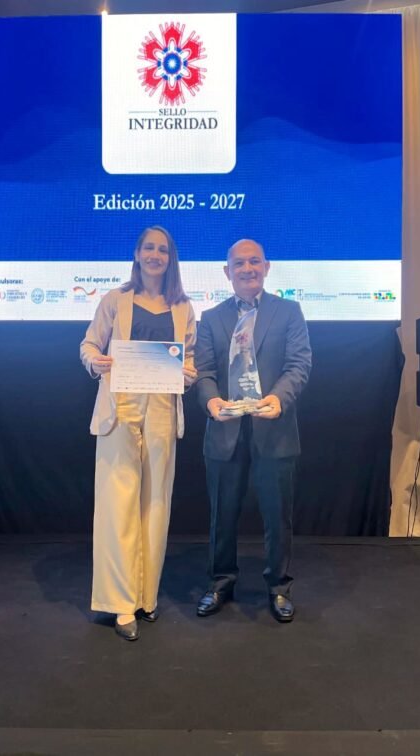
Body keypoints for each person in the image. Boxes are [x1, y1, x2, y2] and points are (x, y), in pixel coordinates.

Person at [80, 226, 197, 641]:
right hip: (121, 406)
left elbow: (190, 358)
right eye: (149, 248)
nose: (155, 255)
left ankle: (146, 597)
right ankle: (120, 604)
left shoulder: (183, 307)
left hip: (162, 408)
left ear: (171, 258)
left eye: (162, 250)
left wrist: (188, 372)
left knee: (156, 505)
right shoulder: (115, 299)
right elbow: (88, 346)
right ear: (136, 253)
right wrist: (97, 362)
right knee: (118, 506)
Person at [195, 239, 311, 623]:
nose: (248, 269)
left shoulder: (289, 312)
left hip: (274, 431)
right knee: (222, 515)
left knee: (278, 517)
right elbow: (204, 372)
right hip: (224, 431)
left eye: (255, 262)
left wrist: (279, 398)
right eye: (239, 263)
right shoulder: (210, 318)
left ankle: (279, 586)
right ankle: (220, 582)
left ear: (267, 267)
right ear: (227, 271)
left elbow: (299, 364)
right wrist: (211, 402)